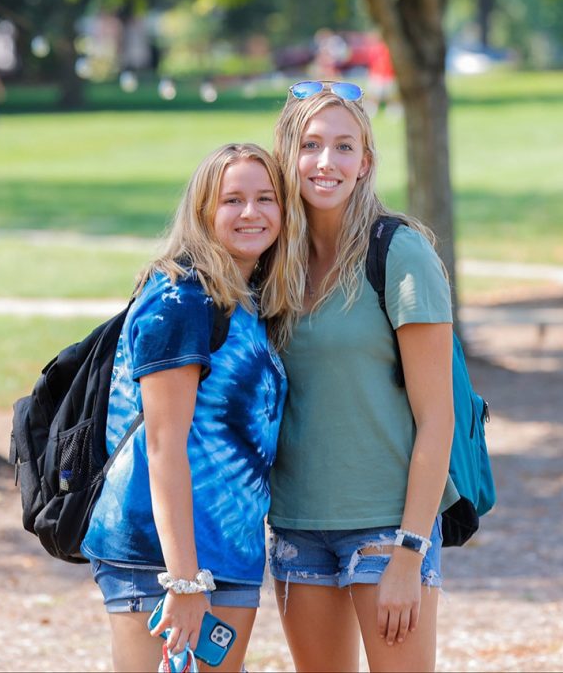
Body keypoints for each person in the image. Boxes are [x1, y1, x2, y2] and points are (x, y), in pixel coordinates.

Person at [80, 143, 303, 672]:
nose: (251, 213)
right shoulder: (181, 298)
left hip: (231, 551)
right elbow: (162, 446)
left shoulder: (247, 299)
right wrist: (182, 580)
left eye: (266, 198)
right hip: (159, 559)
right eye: (233, 200)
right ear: (204, 211)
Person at [268, 80, 457, 671]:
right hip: (297, 523)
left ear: (365, 162)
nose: (327, 162)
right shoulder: (272, 262)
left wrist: (409, 551)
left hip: (386, 527)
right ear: (286, 156)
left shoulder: (400, 255)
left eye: (344, 147)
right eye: (311, 144)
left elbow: (437, 418)